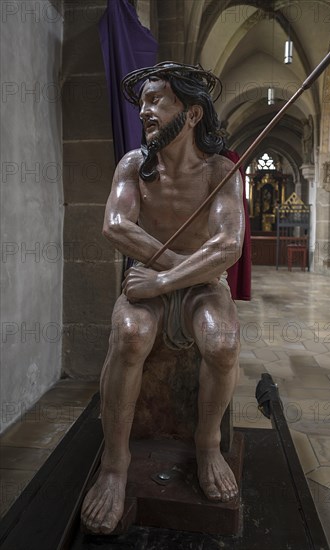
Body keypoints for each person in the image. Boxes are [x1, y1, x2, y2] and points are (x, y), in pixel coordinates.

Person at [81, 62, 245, 534]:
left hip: (198, 285)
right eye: (142, 103)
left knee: (223, 342)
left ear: (192, 114)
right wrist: (171, 271)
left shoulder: (220, 170)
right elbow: (116, 226)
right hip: (160, 278)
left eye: (157, 101)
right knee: (130, 335)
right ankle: (114, 465)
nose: (145, 111)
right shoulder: (135, 165)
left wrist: (164, 280)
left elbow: (227, 246)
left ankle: (208, 444)